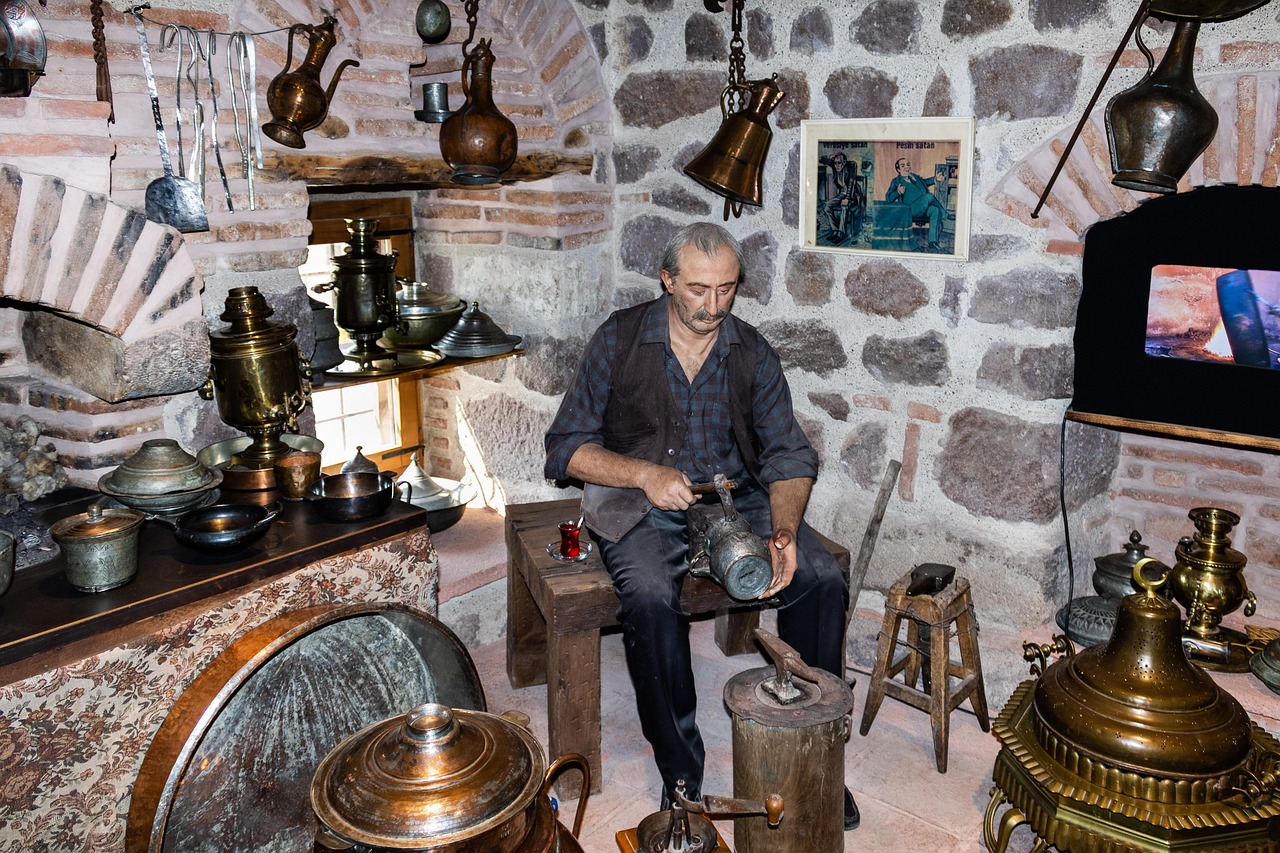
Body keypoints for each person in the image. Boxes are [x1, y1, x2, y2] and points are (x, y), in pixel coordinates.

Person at [544, 222, 859, 831]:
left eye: (726, 289)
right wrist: (643, 474)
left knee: (820, 578)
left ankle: (818, 757)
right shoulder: (619, 339)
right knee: (649, 598)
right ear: (667, 281)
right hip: (638, 499)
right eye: (696, 289)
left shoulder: (752, 351)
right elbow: (565, 448)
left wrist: (784, 532)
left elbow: (790, 456)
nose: (712, 306)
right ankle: (682, 776)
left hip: (734, 496)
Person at [885, 156, 949, 252]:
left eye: (908, 165)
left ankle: (932, 241)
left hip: (922, 208)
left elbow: (925, 182)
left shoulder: (915, 177)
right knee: (929, 196)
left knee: (934, 210)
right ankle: (945, 215)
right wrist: (898, 192)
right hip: (910, 210)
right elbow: (888, 198)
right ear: (898, 170)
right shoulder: (896, 181)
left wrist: (936, 179)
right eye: (903, 166)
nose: (907, 167)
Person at [818, 150, 864, 244]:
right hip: (842, 193)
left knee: (844, 206)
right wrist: (830, 156)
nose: (837, 165)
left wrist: (847, 198)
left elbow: (851, 184)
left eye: (839, 163)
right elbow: (821, 160)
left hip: (852, 194)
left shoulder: (851, 167)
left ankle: (841, 233)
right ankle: (835, 230)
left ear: (844, 163)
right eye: (835, 163)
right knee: (827, 206)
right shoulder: (835, 166)